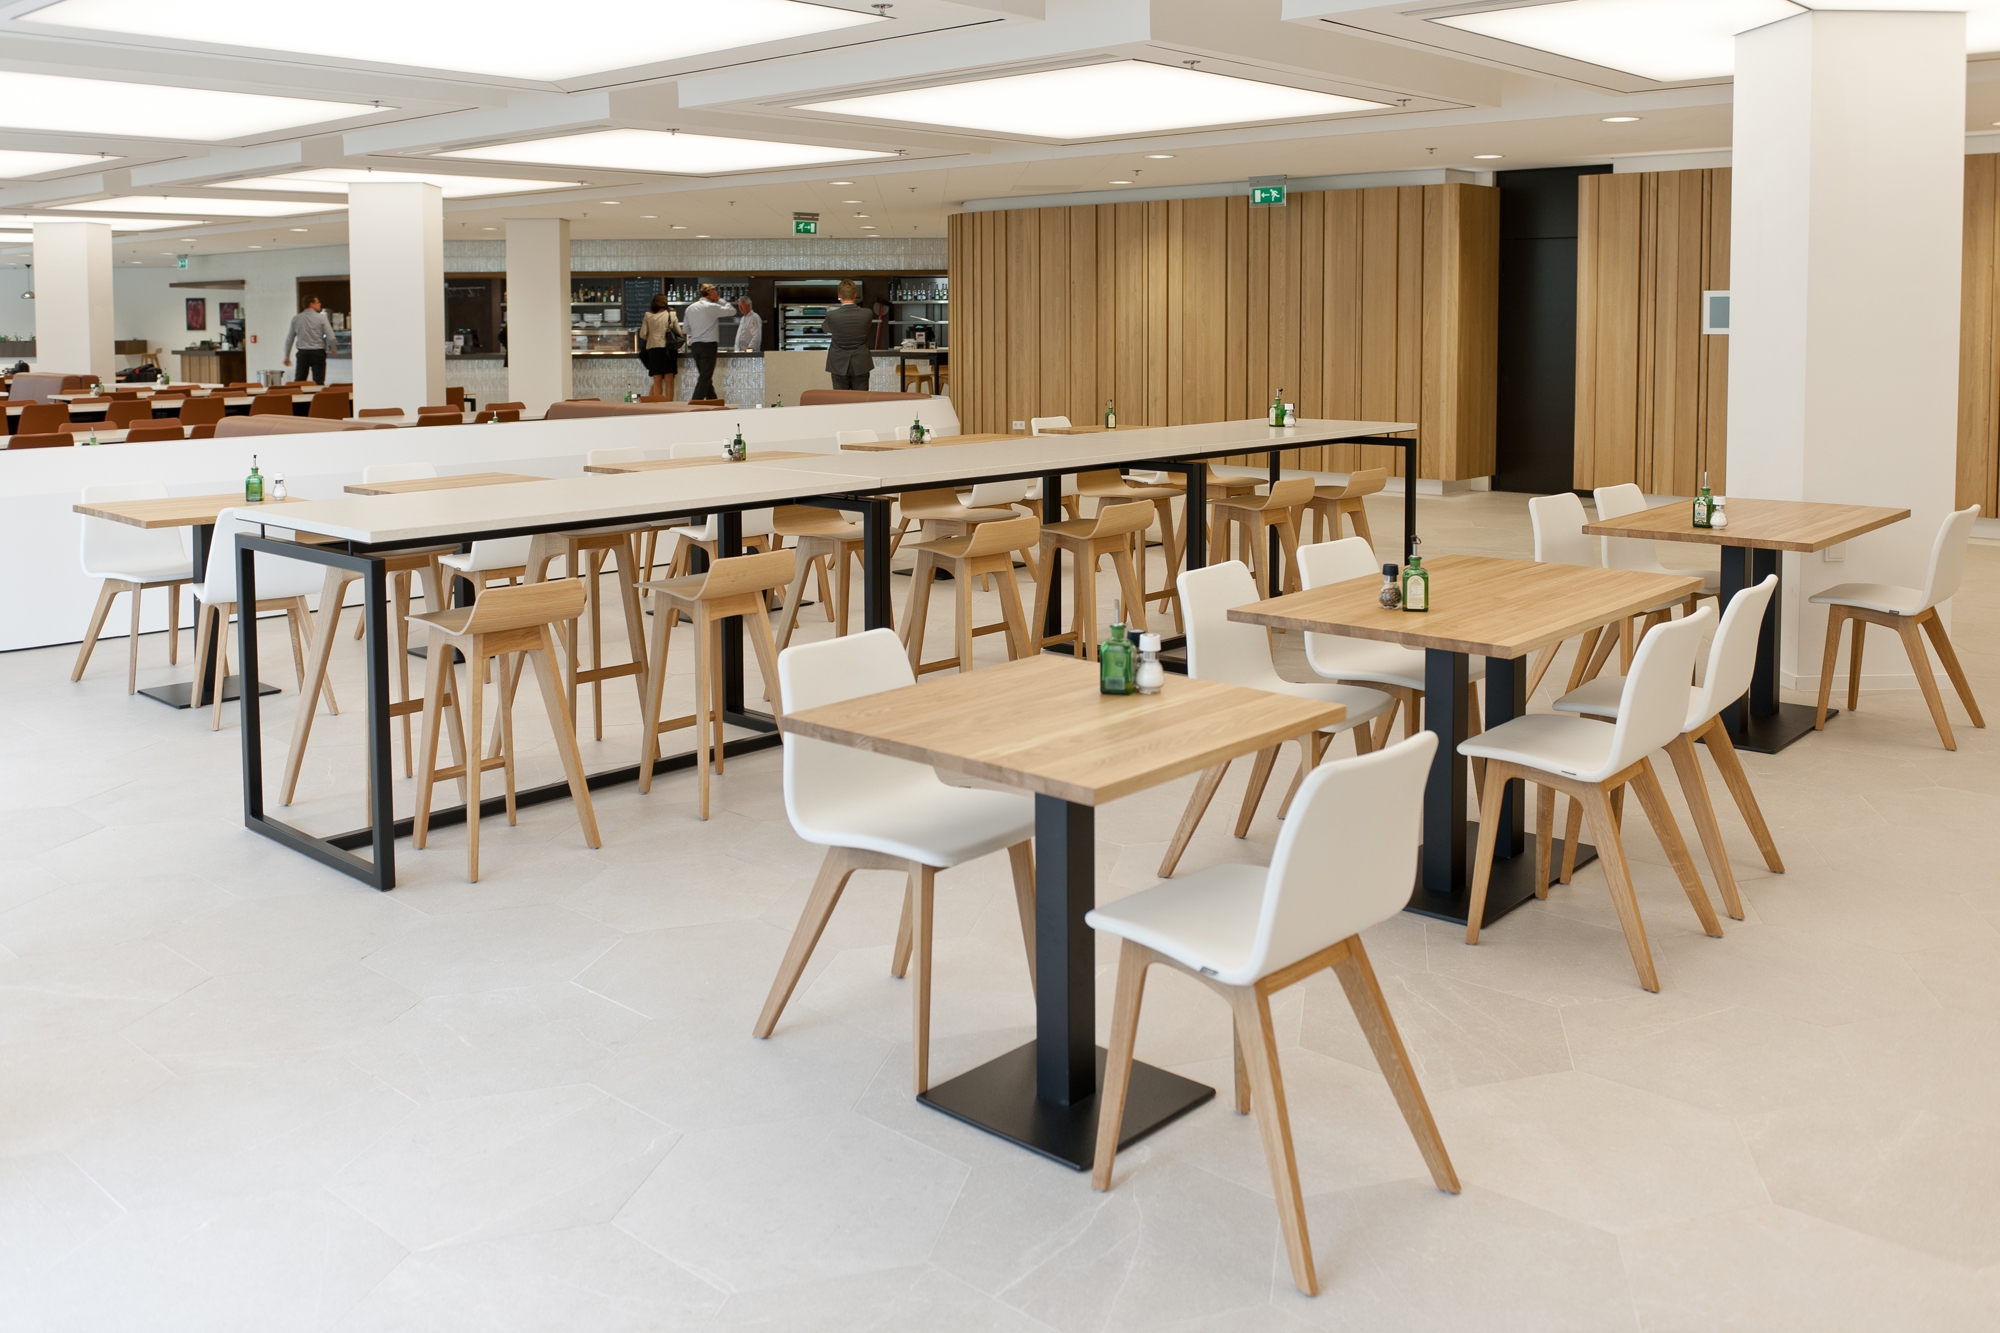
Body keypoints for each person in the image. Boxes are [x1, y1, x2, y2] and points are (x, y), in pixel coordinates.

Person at [822, 279, 874, 391]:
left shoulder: (831, 315)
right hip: (861, 363)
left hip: (838, 363)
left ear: (839, 295)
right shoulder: (867, 313)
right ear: (855, 295)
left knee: (840, 399)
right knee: (861, 399)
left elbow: (826, 329)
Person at [683, 283, 728, 401]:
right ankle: (694, 403)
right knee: (705, 377)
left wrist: (697, 331)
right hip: (708, 345)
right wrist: (719, 299)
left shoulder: (690, 308)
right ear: (709, 293)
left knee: (705, 376)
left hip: (695, 345)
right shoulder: (712, 307)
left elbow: (685, 329)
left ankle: (713, 402)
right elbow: (731, 310)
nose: (716, 294)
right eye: (715, 292)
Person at [282, 296, 336, 385]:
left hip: (303, 353)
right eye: (317, 302)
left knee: (299, 381)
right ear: (311, 304)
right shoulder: (321, 318)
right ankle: (317, 394)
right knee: (319, 382)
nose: (320, 304)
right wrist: (333, 347)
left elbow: (289, 339)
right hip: (318, 352)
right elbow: (331, 336)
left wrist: (286, 356)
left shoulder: (296, 318)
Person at [638, 293, 682, 399]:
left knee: (657, 382)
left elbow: (642, 334)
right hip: (668, 350)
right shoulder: (671, 314)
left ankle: (658, 405)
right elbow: (679, 333)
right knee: (669, 381)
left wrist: (652, 336)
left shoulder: (648, 315)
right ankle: (670, 405)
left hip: (654, 351)